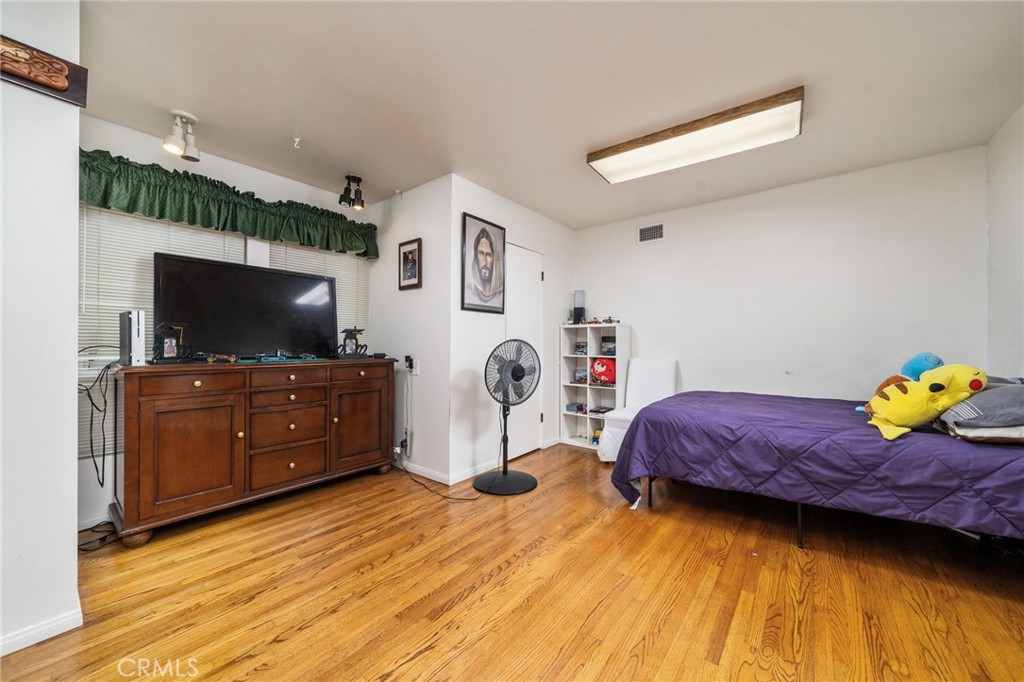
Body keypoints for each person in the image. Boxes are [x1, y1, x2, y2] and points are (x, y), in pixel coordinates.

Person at [464, 226, 503, 308]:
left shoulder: (501, 295)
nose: (485, 262)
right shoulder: (468, 292)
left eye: (489, 255)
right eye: (481, 253)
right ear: (475, 256)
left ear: (494, 258)